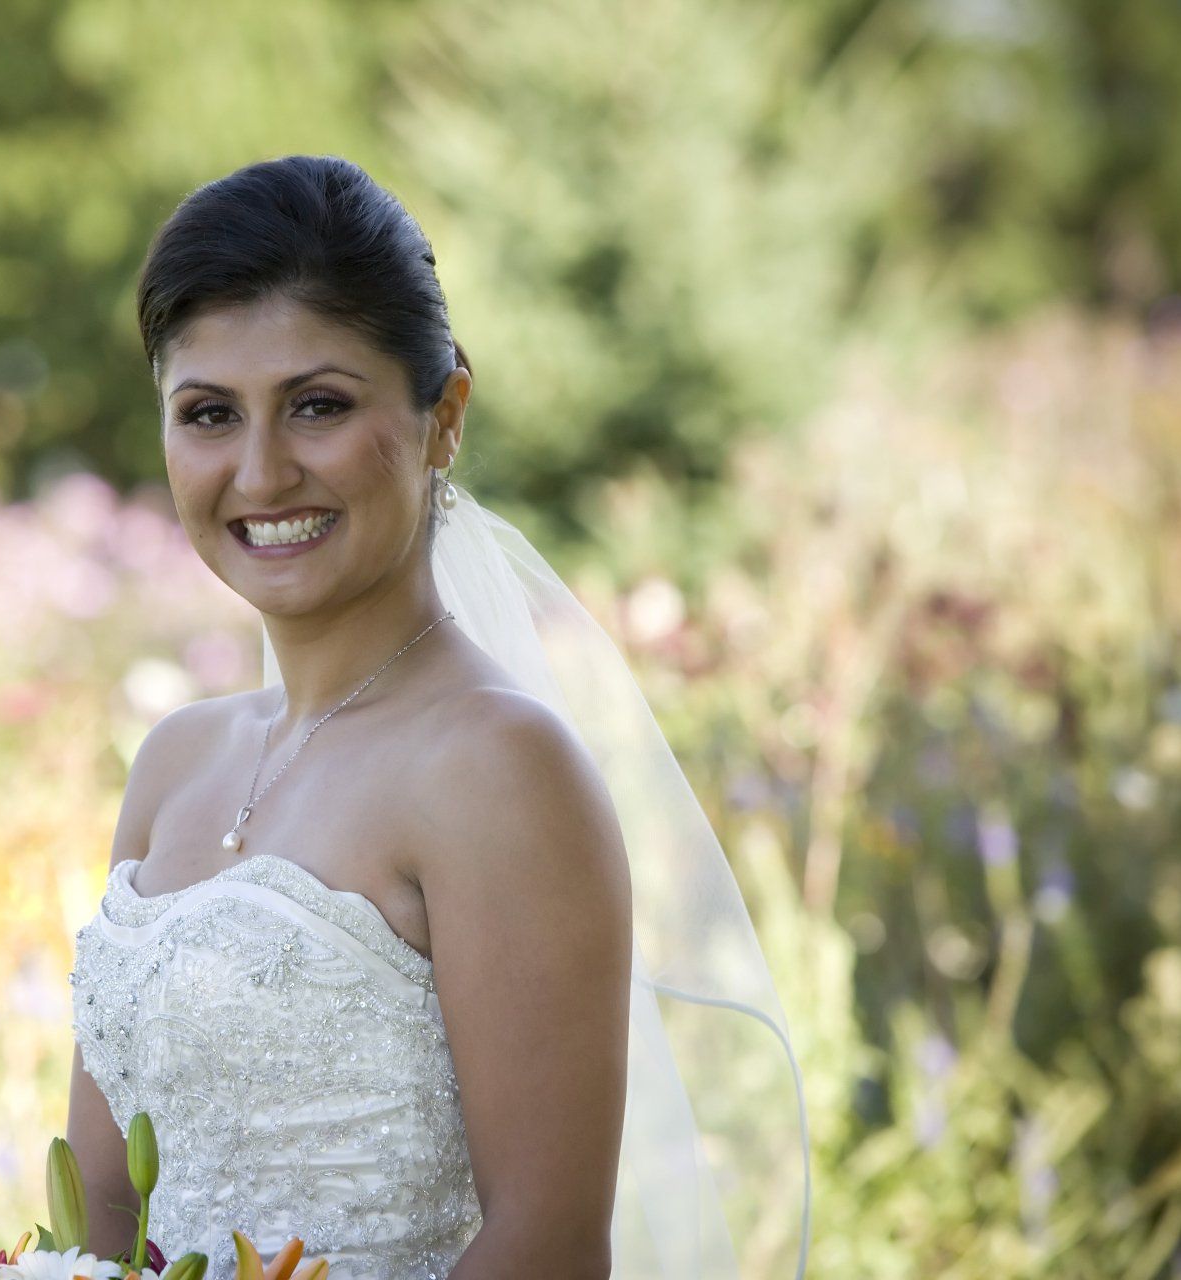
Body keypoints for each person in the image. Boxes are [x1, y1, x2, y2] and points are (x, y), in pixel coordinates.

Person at [67, 156, 808, 1280]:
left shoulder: (498, 767)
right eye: (209, 414)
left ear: (443, 418)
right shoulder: (174, 762)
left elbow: (549, 1246)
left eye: (318, 405)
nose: (260, 473)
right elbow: (99, 1214)